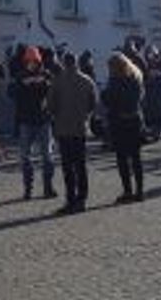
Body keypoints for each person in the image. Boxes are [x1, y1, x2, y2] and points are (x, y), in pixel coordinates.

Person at [48, 50, 97, 214]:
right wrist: (85, 115)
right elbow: (93, 103)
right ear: (76, 62)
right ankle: (82, 199)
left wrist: (58, 115)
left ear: (63, 62)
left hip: (63, 129)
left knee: (68, 167)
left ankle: (70, 199)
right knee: (81, 165)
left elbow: (51, 106)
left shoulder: (57, 81)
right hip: (81, 128)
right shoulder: (88, 81)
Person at [13, 45, 58, 201]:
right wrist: (25, 85)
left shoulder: (46, 75)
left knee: (47, 156)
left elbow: (53, 92)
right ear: (25, 61)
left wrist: (43, 83)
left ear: (39, 61)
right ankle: (28, 189)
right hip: (26, 121)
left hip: (43, 120)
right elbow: (13, 94)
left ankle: (48, 187)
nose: (31, 63)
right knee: (25, 157)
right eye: (29, 61)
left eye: (34, 61)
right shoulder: (20, 76)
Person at [103, 51, 147, 203]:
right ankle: (140, 191)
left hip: (120, 123)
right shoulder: (136, 78)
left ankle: (128, 191)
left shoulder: (115, 81)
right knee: (136, 158)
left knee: (122, 159)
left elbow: (109, 100)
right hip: (135, 120)